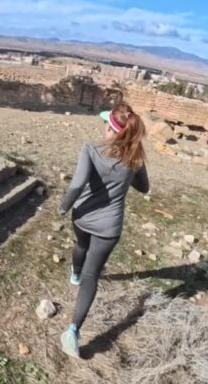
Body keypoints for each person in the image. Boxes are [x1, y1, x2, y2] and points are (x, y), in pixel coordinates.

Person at [57, 102, 149, 359]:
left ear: (112, 129)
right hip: (110, 227)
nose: (104, 128)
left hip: (83, 216)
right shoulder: (135, 156)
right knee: (93, 275)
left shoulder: (91, 150)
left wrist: (64, 207)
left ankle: (74, 275)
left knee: (81, 246)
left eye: (106, 124)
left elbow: (77, 185)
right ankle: (73, 331)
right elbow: (144, 188)